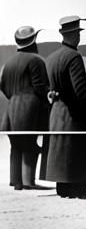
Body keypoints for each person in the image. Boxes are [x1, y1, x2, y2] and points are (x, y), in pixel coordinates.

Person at [43, 15, 86, 198]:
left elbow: (49, 86)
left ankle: (63, 188)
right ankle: (78, 189)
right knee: (77, 150)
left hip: (57, 111)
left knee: (61, 151)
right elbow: (80, 91)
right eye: (78, 33)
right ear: (76, 35)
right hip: (73, 112)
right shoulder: (74, 57)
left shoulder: (51, 57)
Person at [2, 25, 49, 191]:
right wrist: (49, 97)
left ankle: (16, 181)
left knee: (15, 145)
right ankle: (28, 181)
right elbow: (40, 87)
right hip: (30, 109)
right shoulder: (36, 60)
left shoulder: (8, 63)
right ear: (33, 42)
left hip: (11, 110)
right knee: (30, 144)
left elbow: (3, 87)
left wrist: (14, 98)